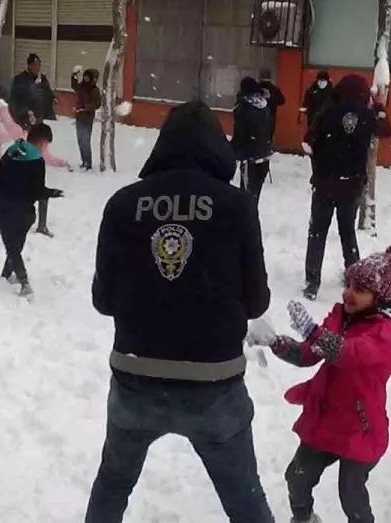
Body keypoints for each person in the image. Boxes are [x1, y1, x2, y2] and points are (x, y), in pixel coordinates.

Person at [85, 101, 273, 523]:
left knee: (113, 485)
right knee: (245, 500)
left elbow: (103, 300)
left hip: (137, 377)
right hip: (214, 383)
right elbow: (257, 301)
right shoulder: (236, 206)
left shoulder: (123, 204)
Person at [251, 244, 391, 523]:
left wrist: (315, 334)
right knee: (297, 477)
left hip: (361, 426)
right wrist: (278, 343)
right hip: (327, 418)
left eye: (360, 289)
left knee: (351, 494)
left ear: (379, 297)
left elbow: (350, 354)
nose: (349, 292)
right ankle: (303, 519)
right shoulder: (340, 316)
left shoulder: (385, 334)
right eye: (349, 284)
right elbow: (309, 354)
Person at [302, 74, 391, 300]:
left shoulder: (327, 110)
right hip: (350, 185)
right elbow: (385, 130)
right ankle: (354, 276)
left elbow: (308, 141)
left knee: (317, 232)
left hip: (325, 182)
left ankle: (312, 281)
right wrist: (379, 107)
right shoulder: (367, 114)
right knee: (347, 232)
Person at [0, 123, 63, 297]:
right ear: (42, 141)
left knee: (12, 246)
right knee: (15, 247)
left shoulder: (10, 152)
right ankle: (24, 282)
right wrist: (52, 193)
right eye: (46, 144)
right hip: (24, 211)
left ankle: (6, 275)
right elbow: (37, 190)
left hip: (3, 206)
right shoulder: (36, 161)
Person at [232, 77, 274, 201]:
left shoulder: (243, 108)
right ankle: (251, 217)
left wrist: (231, 152)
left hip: (249, 158)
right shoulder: (264, 106)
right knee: (254, 196)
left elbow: (239, 136)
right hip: (264, 156)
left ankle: (247, 219)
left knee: (246, 199)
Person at [73, 68, 102, 171]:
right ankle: (83, 161)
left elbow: (97, 103)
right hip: (79, 116)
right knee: (80, 140)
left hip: (87, 118)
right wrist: (74, 75)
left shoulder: (94, 90)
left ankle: (88, 163)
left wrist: (87, 107)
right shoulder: (81, 87)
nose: (85, 78)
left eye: (87, 77)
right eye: (84, 76)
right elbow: (74, 86)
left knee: (85, 140)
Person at [10, 54, 44, 128]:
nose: (38, 68)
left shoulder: (41, 79)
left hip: (37, 121)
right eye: (35, 65)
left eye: (39, 65)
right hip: (23, 122)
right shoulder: (20, 79)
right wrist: (27, 112)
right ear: (29, 66)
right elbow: (16, 100)